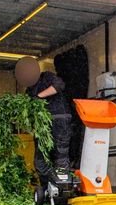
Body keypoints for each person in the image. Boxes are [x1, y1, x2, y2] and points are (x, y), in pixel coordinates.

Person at [14, 56, 74, 194]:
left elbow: (59, 85)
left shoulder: (47, 77)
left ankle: (61, 191)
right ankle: (48, 190)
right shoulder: (29, 91)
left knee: (60, 156)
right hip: (43, 126)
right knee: (40, 162)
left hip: (59, 120)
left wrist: (40, 97)